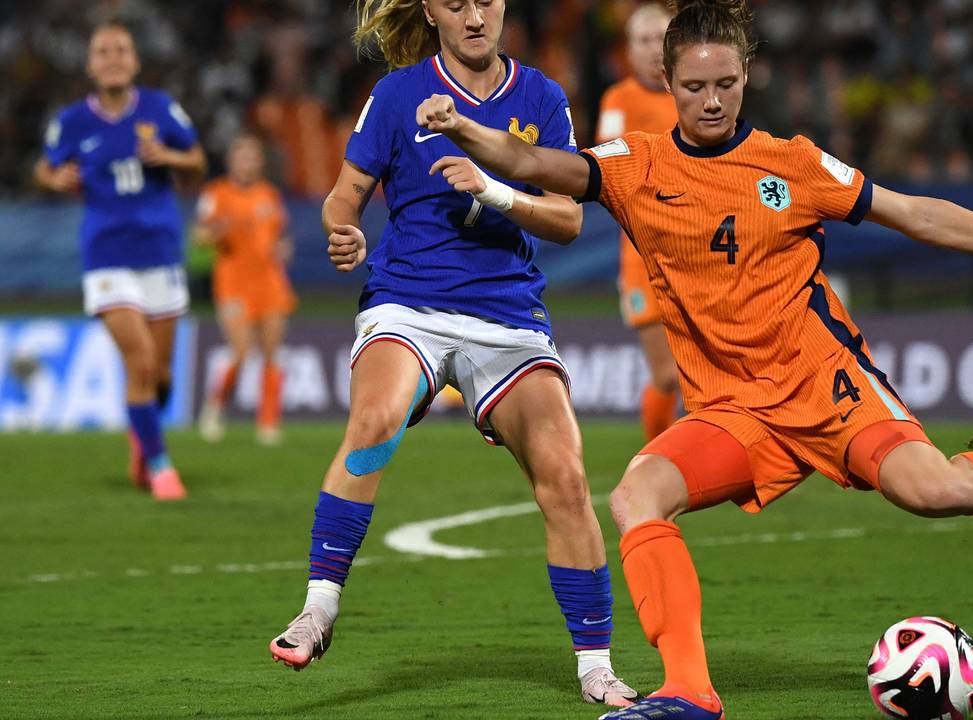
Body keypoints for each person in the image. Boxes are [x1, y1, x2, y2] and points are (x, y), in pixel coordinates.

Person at [417, 1, 973, 717]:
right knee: (637, 498)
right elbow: (530, 165)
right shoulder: (635, 167)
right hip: (735, 413)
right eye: (694, 85)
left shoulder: (792, 163)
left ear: (747, 77)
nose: (711, 100)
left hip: (828, 388)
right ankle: (690, 693)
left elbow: (915, 213)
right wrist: (465, 129)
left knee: (937, 489)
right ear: (666, 80)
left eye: (726, 83)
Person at [266, 0, 638, 708]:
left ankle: (596, 666)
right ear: (431, 12)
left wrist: (496, 192)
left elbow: (566, 219)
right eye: (457, 2)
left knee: (565, 476)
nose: (476, 15)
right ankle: (319, 606)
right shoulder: (398, 94)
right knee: (374, 421)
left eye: (488, 0)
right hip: (410, 304)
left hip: (507, 315)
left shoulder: (541, 97)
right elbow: (343, 198)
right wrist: (344, 231)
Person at [34, 20, 206, 502]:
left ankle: (142, 436)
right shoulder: (72, 121)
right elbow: (44, 168)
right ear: (90, 64)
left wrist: (168, 158)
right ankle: (161, 467)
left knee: (162, 375)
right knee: (141, 361)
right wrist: (56, 179)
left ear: (134, 60)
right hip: (108, 257)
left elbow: (197, 159)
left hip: (160, 254)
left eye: (121, 49)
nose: (112, 57)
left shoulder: (159, 108)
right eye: (103, 51)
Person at [598, 3, 682, 441]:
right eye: (644, 40)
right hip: (643, 258)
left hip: (695, 254)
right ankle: (657, 458)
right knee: (667, 376)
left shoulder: (692, 97)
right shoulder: (618, 101)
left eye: (660, 39)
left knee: (701, 374)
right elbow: (610, 169)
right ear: (629, 50)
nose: (653, 49)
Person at [195, 134, 296, 446]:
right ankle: (215, 406)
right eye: (241, 157)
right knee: (240, 352)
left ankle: (268, 424)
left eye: (252, 157)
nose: (246, 163)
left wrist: (283, 249)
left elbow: (280, 237)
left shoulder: (270, 195)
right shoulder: (216, 194)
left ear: (260, 162)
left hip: (270, 282)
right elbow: (198, 236)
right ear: (230, 161)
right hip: (233, 284)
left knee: (271, 354)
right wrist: (215, 232)